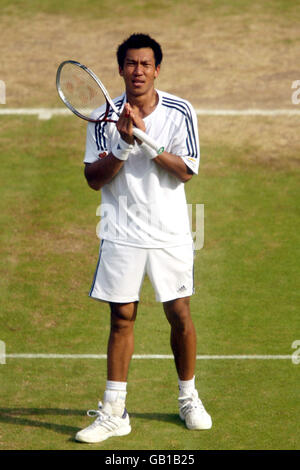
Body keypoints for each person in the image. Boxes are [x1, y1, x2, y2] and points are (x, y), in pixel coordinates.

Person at [75, 33, 212, 444]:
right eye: (131, 64)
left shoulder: (180, 111)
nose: (138, 71)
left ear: (157, 70)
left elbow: (187, 170)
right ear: (120, 69)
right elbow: (93, 179)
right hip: (121, 233)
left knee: (180, 314)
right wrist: (121, 142)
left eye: (146, 64)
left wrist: (146, 142)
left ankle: (189, 397)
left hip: (169, 233)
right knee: (122, 318)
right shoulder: (103, 118)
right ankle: (114, 411)